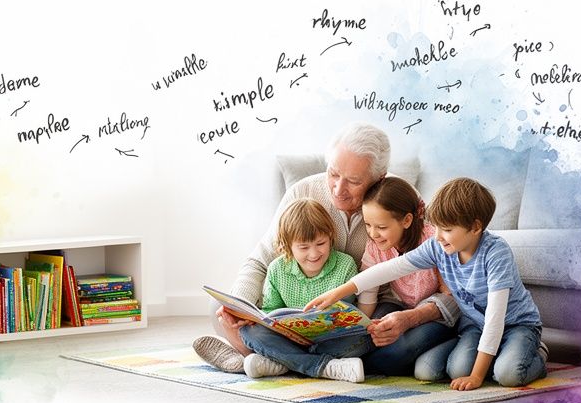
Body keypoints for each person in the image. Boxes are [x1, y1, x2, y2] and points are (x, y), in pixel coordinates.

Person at [307, 177, 548, 390]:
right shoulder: (439, 246)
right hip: (475, 325)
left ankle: (534, 353)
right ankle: (500, 357)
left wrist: (476, 377)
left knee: (508, 375)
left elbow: (496, 318)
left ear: (475, 228)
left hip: (516, 325)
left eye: (447, 229)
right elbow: (392, 268)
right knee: (457, 371)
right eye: (437, 228)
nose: (438, 236)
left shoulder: (496, 254)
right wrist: (338, 293)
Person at [192, 122, 389, 374]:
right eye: (333, 174)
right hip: (290, 322)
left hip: (362, 314)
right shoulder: (303, 192)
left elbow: (408, 276)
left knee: (384, 342)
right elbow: (259, 262)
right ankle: (307, 363)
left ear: (378, 179)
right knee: (221, 311)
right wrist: (239, 307)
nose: (339, 189)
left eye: (353, 181)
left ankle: (261, 359)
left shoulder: (396, 200)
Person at [230, 198, 373, 382]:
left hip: (330, 340)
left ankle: (282, 362)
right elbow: (269, 311)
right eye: (304, 247)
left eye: (320, 244)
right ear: (287, 246)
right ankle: (324, 367)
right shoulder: (277, 269)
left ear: (330, 236)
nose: (314, 254)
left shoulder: (345, 265)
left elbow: (347, 316)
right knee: (249, 331)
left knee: (366, 337)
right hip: (290, 339)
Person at [355, 176, 459, 376]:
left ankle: (369, 365)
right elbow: (368, 290)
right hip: (399, 303)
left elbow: (451, 297)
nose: (373, 234)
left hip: (435, 310)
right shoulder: (375, 246)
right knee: (374, 333)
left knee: (398, 351)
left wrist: (410, 319)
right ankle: (358, 361)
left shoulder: (433, 241)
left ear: (407, 220)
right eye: (368, 225)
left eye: (381, 227)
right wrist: (363, 328)